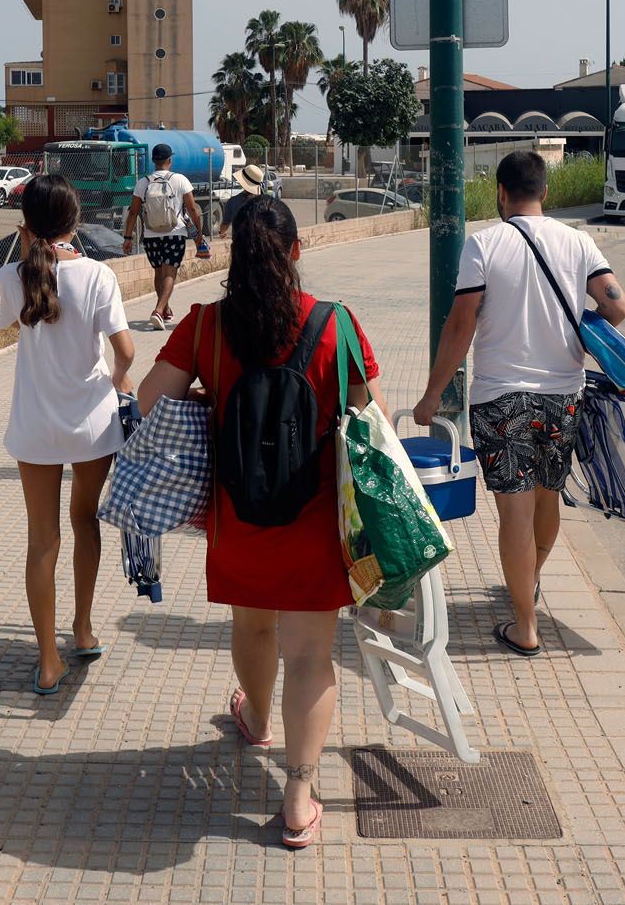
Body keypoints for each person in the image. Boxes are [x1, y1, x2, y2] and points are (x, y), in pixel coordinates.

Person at [135, 198, 385, 848]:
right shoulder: (336, 324)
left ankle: (256, 719)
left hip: (238, 516)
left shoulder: (207, 324)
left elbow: (147, 398)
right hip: (313, 524)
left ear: (235, 256)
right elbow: (371, 418)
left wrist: (207, 394)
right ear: (297, 252)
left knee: (252, 625)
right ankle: (298, 800)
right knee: (310, 657)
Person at [412, 150, 625, 658]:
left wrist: (431, 396)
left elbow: (462, 323)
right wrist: (582, 336)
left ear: (502, 194)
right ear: (546, 193)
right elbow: (618, 304)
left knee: (514, 513)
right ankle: (527, 583)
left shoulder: (485, 244)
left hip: (501, 397)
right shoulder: (579, 241)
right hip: (563, 396)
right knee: (547, 498)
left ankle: (525, 626)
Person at [0, 174, 136, 695]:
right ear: (75, 220)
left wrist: (28, 248)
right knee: (85, 522)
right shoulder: (100, 276)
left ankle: (48, 661)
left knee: (42, 540)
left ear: (26, 225)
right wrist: (118, 380)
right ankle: (82, 629)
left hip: (35, 427)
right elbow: (125, 351)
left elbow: (17, 324)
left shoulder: (13, 276)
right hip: (92, 427)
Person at [122, 142, 208, 330]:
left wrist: (127, 238)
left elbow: (134, 212)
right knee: (170, 273)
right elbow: (193, 209)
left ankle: (166, 308)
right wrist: (199, 234)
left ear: (153, 161)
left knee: (158, 272)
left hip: (151, 235)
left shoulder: (143, 182)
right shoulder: (180, 180)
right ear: (170, 160)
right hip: (174, 234)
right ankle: (158, 311)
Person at [216, 161, 270, 237]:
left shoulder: (233, 202)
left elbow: (225, 225)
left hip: (240, 244)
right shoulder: (266, 203)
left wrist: (221, 232)